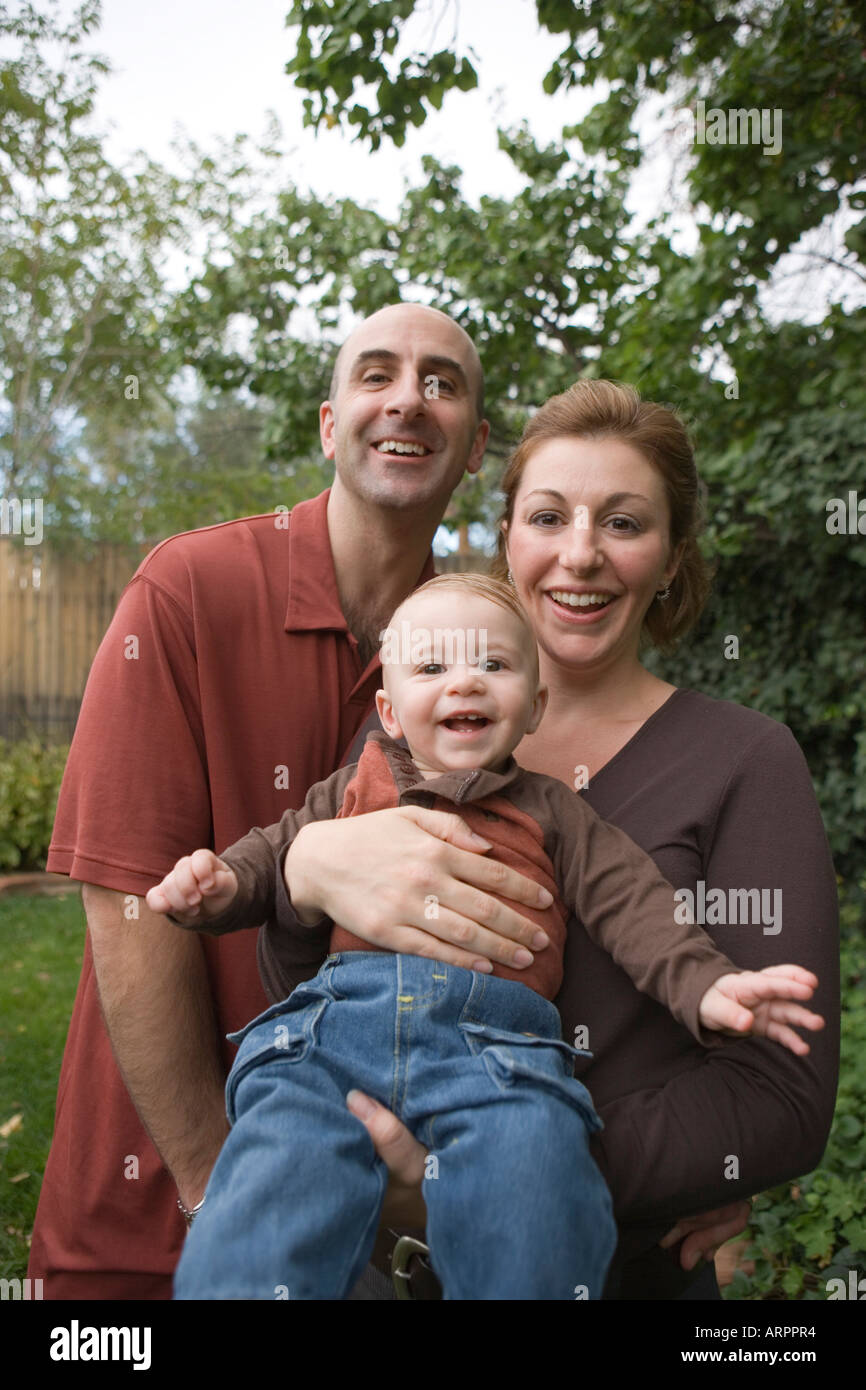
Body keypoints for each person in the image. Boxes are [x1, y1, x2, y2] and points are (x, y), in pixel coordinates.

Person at [31, 301, 560, 1299]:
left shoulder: (478, 661)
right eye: (377, 373)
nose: (409, 396)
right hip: (156, 1222)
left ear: (473, 445)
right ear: (329, 423)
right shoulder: (187, 591)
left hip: (382, 1235)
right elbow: (130, 901)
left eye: (441, 381)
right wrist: (214, 1190)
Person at [275, 381, 841, 1300]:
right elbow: (305, 990)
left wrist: (486, 1173)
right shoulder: (409, 735)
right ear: (508, 539)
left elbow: (778, 1101)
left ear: (669, 558)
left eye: (624, 523)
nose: (581, 555)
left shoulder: (744, 761)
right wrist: (301, 875)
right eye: (548, 516)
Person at [146, 574, 823, 1300]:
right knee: (273, 1193)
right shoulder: (349, 788)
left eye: (493, 665)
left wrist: (706, 986)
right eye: (432, 667)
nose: (464, 682)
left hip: (499, 1058)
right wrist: (217, 887)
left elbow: (635, 904)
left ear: (532, 708)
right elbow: (275, 855)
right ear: (390, 711)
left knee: (536, 1190)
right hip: (329, 1044)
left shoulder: (554, 813)